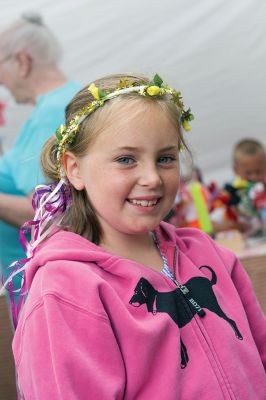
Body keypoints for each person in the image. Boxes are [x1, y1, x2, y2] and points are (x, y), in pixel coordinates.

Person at [6, 73, 265, 399]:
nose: (152, 177)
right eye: (126, 159)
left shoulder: (207, 254)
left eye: (165, 158)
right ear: (74, 169)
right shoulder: (65, 290)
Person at [0, 12, 80, 301]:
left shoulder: (52, 113)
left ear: (22, 61)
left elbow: (51, 211)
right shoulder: (57, 105)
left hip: (46, 289)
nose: (1, 83)